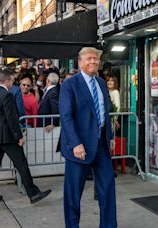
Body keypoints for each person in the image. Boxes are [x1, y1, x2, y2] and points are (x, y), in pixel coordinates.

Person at [59, 47, 117, 228]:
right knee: (73, 194)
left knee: (108, 189)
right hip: (79, 148)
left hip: (101, 146)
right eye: (89, 59)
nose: (93, 62)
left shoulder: (100, 83)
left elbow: (104, 112)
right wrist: (75, 143)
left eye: (96, 59)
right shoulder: (70, 85)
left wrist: (110, 135)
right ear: (80, 62)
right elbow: (66, 117)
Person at [0, 69, 51, 205]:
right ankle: (33, 193)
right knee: (21, 163)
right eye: (12, 81)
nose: (13, 84)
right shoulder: (6, 95)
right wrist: (19, 136)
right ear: (8, 81)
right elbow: (12, 118)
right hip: (7, 136)